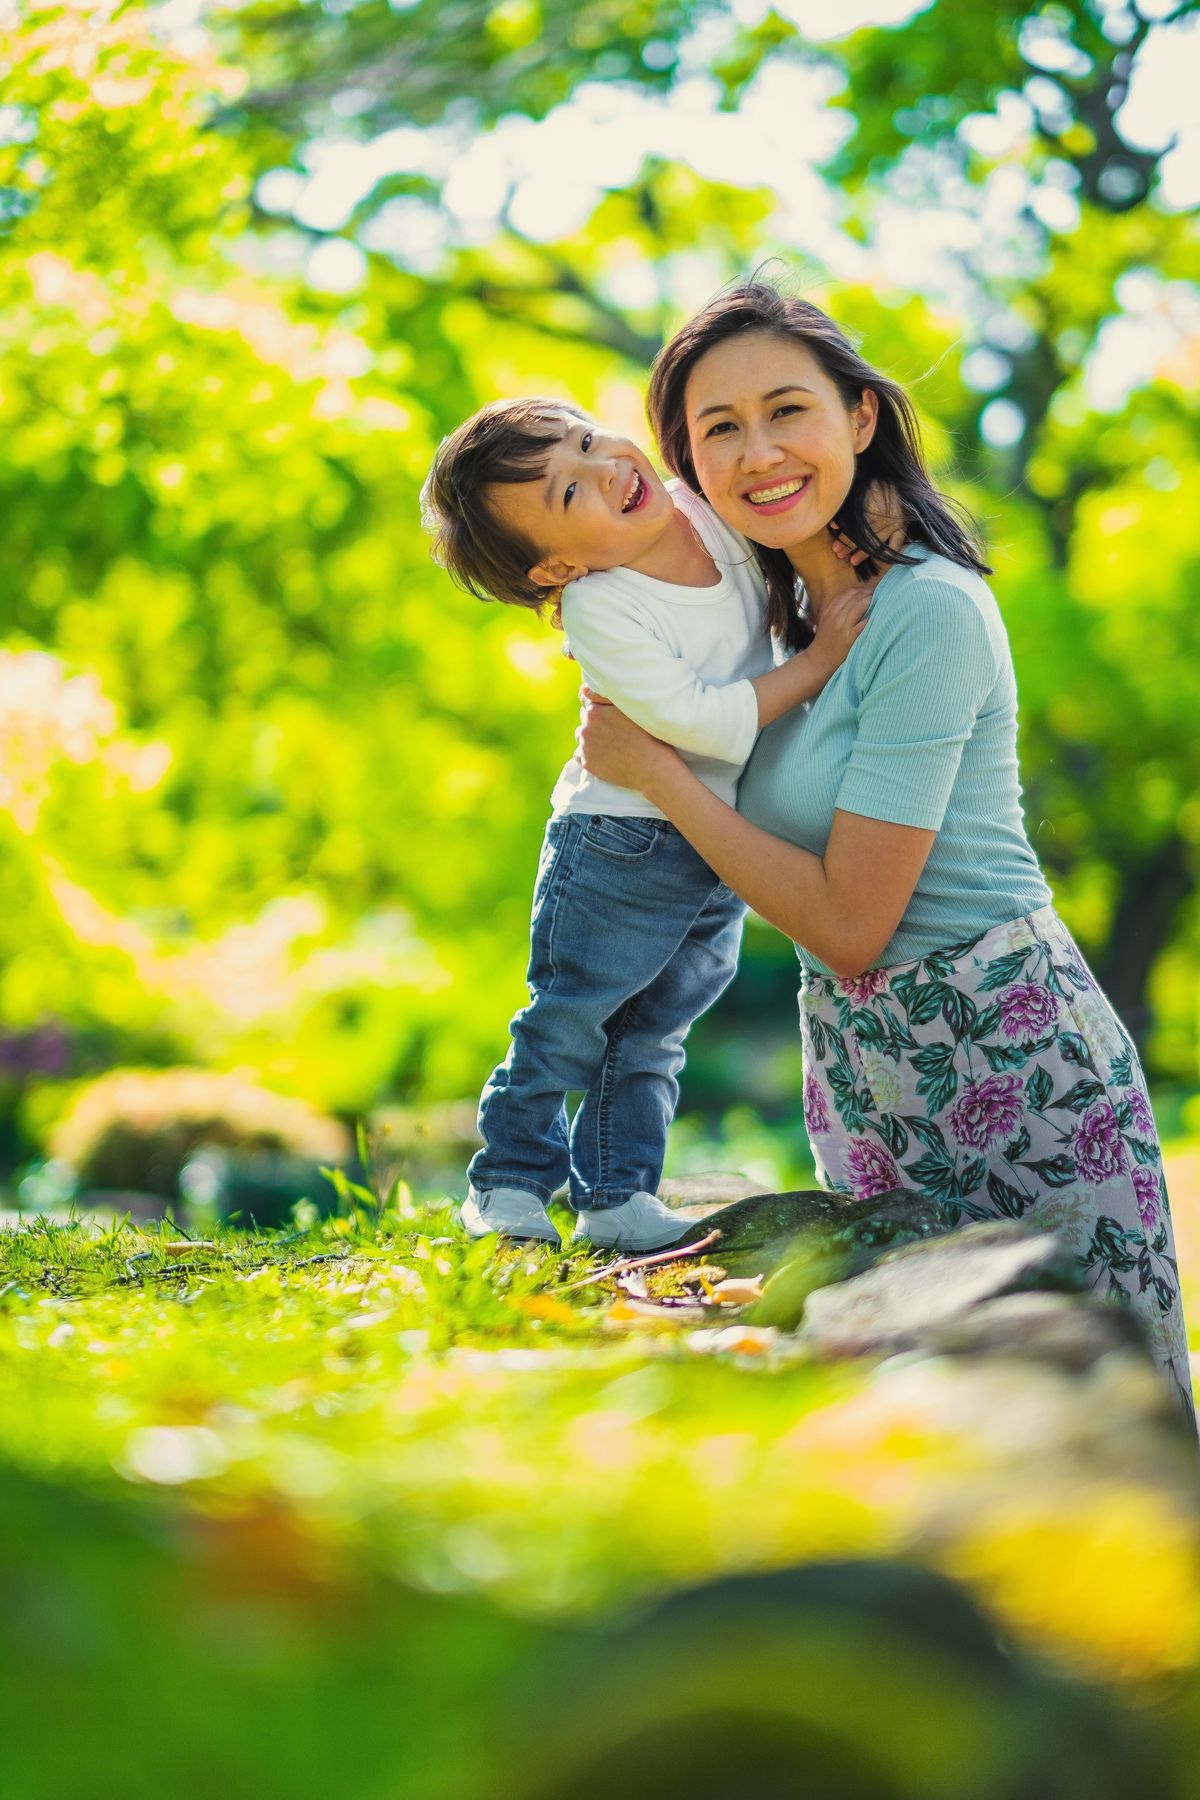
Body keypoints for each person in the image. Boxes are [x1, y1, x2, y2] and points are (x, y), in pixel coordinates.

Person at [576, 279, 1194, 1420]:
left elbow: (854, 924)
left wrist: (659, 775)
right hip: (867, 1068)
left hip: (1011, 1060)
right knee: (914, 1427)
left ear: (860, 417)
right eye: (719, 428)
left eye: (787, 410)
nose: (759, 452)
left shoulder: (928, 612)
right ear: (688, 465)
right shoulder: (783, 637)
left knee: (1091, 1432)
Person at [422, 397, 874, 1252]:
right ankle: (507, 1181)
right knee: (572, 1017)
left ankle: (616, 1195)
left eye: (587, 440)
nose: (605, 469)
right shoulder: (604, 606)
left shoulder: (707, 513)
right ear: (557, 567)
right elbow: (699, 723)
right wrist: (821, 663)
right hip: (619, 844)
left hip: (714, 835)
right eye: (567, 492)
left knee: (656, 1028)